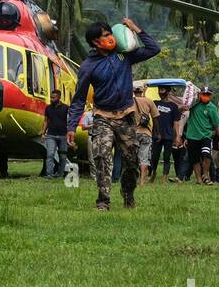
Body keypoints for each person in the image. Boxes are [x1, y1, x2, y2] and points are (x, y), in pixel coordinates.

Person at [64, 19, 161, 210]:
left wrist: (135, 28)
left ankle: (128, 195)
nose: (110, 38)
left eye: (110, 34)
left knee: (131, 161)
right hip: (103, 117)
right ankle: (103, 201)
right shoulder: (88, 66)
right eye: (105, 36)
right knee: (101, 156)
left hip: (126, 116)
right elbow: (78, 99)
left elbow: (153, 48)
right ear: (95, 42)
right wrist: (71, 127)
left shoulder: (124, 56)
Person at [183, 86, 219, 184]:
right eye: (204, 94)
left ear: (211, 96)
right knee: (195, 159)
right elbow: (182, 107)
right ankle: (199, 179)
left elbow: (217, 124)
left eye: (208, 95)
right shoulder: (193, 105)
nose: (206, 96)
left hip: (206, 136)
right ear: (200, 95)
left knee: (206, 155)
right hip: (192, 136)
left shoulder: (212, 108)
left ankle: (206, 174)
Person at [152, 87, 182, 182]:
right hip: (157, 134)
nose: (161, 91)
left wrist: (177, 136)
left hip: (169, 135)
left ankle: (165, 177)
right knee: (154, 157)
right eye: (159, 90)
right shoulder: (155, 103)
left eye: (163, 89)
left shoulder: (173, 106)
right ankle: (153, 174)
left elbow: (176, 122)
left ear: (168, 91)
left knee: (167, 157)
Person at [132, 82, 159, 187]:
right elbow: (155, 118)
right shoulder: (149, 101)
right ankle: (142, 181)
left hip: (133, 133)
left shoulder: (130, 102)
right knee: (144, 159)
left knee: (133, 158)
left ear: (134, 91)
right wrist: (157, 132)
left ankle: (133, 179)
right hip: (146, 133)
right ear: (142, 90)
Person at [43, 88, 70, 179]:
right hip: (51, 135)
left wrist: (69, 134)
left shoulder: (66, 108)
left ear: (59, 97)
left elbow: (69, 121)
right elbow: (46, 121)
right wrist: (43, 133)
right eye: (51, 97)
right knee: (50, 154)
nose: (51, 99)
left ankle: (59, 174)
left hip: (63, 135)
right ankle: (49, 174)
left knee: (62, 156)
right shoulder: (48, 108)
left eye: (53, 97)